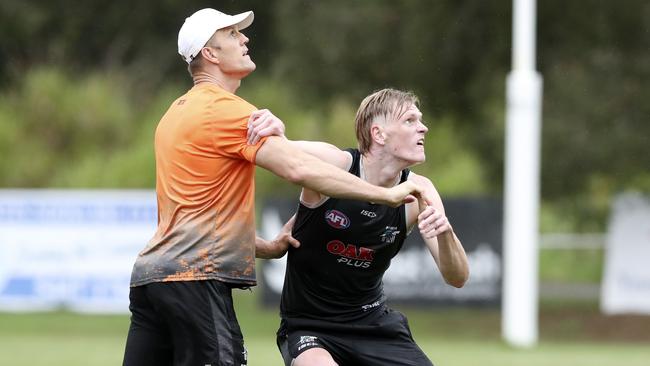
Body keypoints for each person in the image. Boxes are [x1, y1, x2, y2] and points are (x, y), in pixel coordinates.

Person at [121, 9, 424, 366]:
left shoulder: (174, 113)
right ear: (210, 54)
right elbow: (300, 169)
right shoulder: (226, 110)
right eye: (233, 34)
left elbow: (193, 215)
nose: (245, 39)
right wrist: (385, 194)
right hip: (194, 281)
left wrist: (266, 246)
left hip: (149, 280)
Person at [250, 88, 470, 366]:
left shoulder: (421, 192)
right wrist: (277, 131)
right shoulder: (337, 163)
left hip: (373, 325)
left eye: (420, 120)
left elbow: (457, 278)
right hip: (310, 326)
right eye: (410, 120)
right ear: (378, 134)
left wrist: (446, 234)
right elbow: (280, 149)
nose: (423, 128)